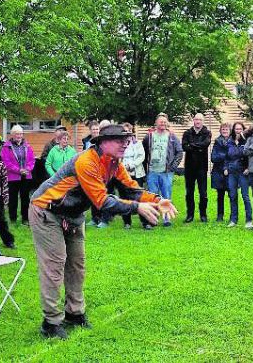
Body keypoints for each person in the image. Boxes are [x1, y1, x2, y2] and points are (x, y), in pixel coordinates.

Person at [29, 124, 177, 339]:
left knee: (77, 265)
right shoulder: (86, 161)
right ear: (103, 142)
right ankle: (51, 323)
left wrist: (156, 200)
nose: (125, 144)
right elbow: (102, 201)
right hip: (47, 211)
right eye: (120, 140)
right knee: (55, 265)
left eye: (126, 140)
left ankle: (74, 313)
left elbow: (131, 188)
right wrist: (137, 208)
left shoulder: (114, 162)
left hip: (72, 215)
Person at [143, 114, 183, 227]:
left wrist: (173, 167)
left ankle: (166, 219)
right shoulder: (149, 137)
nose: (163, 124)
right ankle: (152, 219)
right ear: (156, 123)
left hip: (166, 172)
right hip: (152, 172)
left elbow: (179, 152)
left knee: (166, 195)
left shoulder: (172, 136)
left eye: (165, 122)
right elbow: (144, 153)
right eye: (161, 122)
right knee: (152, 196)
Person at [1, 125, 35, 225]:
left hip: (26, 176)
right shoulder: (6, 147)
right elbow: (6, 162)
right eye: (17, 134)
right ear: (12, 134)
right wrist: (19, 170)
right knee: (13, 199)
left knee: (25, 199)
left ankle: (25, 219)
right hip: (13, 177)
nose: (19, 136)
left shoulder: (27, 146)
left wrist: (27, 169)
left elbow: (32, 160)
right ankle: (13, 219)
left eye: (21, 133)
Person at [182, 113, 212, 223]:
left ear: (202, 121)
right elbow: (184, 146)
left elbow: (205, 144)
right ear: (193, 120)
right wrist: (197, 147)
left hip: (202, 167)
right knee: (189, 192)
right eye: (196, 119)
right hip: (189, 167)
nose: (198, 121)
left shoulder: (207, 133)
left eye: (200, 120)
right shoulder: (187, 133)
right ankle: (190, 215)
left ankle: (203, 215)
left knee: (203, 193)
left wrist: (192, 145)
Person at [226, 122, 253, 228]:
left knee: (245, 196)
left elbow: (250, 155)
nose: (238, 131)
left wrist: (248, 167)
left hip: (243, 172)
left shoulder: (246, 141)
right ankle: (233, 220)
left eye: (240, 129)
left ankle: (249, 220)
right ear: (233, 130)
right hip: (232, 172)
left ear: (243, 130)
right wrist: (225, 168)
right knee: (232, 196)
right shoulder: (230, 142)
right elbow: (226, 157)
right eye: (236, 129)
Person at [121, 123, 148, 229]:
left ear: (131, 131)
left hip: (137, 173)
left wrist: (131, 165)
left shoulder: (138, 143)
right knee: (125, 198)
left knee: (139, 197)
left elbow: (142, 156)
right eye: (124, 131)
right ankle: (127, 222)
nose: (126, 133)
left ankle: (145, 222)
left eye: (128, 131)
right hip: (124, 174)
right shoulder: (119, 144)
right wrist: (123, 167)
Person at [210, 123, 230, 223]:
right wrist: (225, 156)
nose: (224, 131)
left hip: (230, 172)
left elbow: (235, 156)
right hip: (218, 172)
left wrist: (222, 156)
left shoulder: (233, 141)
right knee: (220, 196)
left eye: (226, 129)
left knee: (232, 195)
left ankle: (233, 216)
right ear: (220, 130)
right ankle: (220, 215)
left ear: (230, 130)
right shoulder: (217, 142)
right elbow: (213, 158)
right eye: (223, 129)